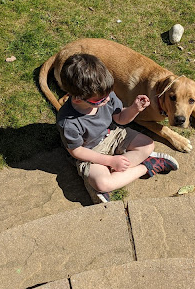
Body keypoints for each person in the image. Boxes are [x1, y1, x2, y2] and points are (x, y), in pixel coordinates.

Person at [56, 53, 179, 203]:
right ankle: (148, 166)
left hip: (113, 134)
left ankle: (108, 178)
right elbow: (76, 151)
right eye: (100, 100)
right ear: (77, 98)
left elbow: (120, 119)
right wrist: (110, 161)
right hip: (91, 151)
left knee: (147, 145)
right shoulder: (68, 122)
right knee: (103, 183)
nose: (108, 99)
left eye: (109, 93)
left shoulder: (105, 94)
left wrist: (134, 108)